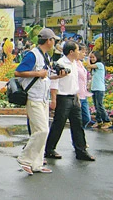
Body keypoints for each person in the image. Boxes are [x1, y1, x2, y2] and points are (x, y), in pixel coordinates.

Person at [15, 28, 58, 175]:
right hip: (34, 98)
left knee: (38, 131)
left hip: (43, 98)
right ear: (48, 40)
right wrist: (38, 73)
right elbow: (18, 72)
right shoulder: (33, 55)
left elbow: (45, 76)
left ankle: (36, 164)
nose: (55, 42)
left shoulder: (45, 56)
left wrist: (57, 76)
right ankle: (25, 159)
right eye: (54, 40)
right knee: (42, 130)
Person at [45, 41, 95, 161]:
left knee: (78, 125)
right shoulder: (61, 63)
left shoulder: (74, 63)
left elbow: (75, 82)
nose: (80, 52)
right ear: (71, 52)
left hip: (73, 97)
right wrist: (54, 99)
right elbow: (54, 82)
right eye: (78, 50)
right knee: (59, 124)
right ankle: (49, 149)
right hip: (63, 98)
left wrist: (77, 96)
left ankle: (81, 151)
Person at [88, 51, 112, 129]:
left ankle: (107, 121)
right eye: (91, 57)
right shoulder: (94, 68)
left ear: (97, 57)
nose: (92, 59)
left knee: (100, 106)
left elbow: (88, 65)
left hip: (99, 89)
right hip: (94, 88)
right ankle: (99, 121)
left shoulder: (99, 65)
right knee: (96, 106)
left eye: (93, 57)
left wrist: (88, 57)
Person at [76, 44, 93, 128]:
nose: (84, 54)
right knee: (78, 119)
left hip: (84, 94)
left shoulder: (81, 63)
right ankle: (78, 138)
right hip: (77, 95)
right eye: (83, 52)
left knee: (86, 118)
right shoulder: (73, 64)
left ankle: (79, 136)